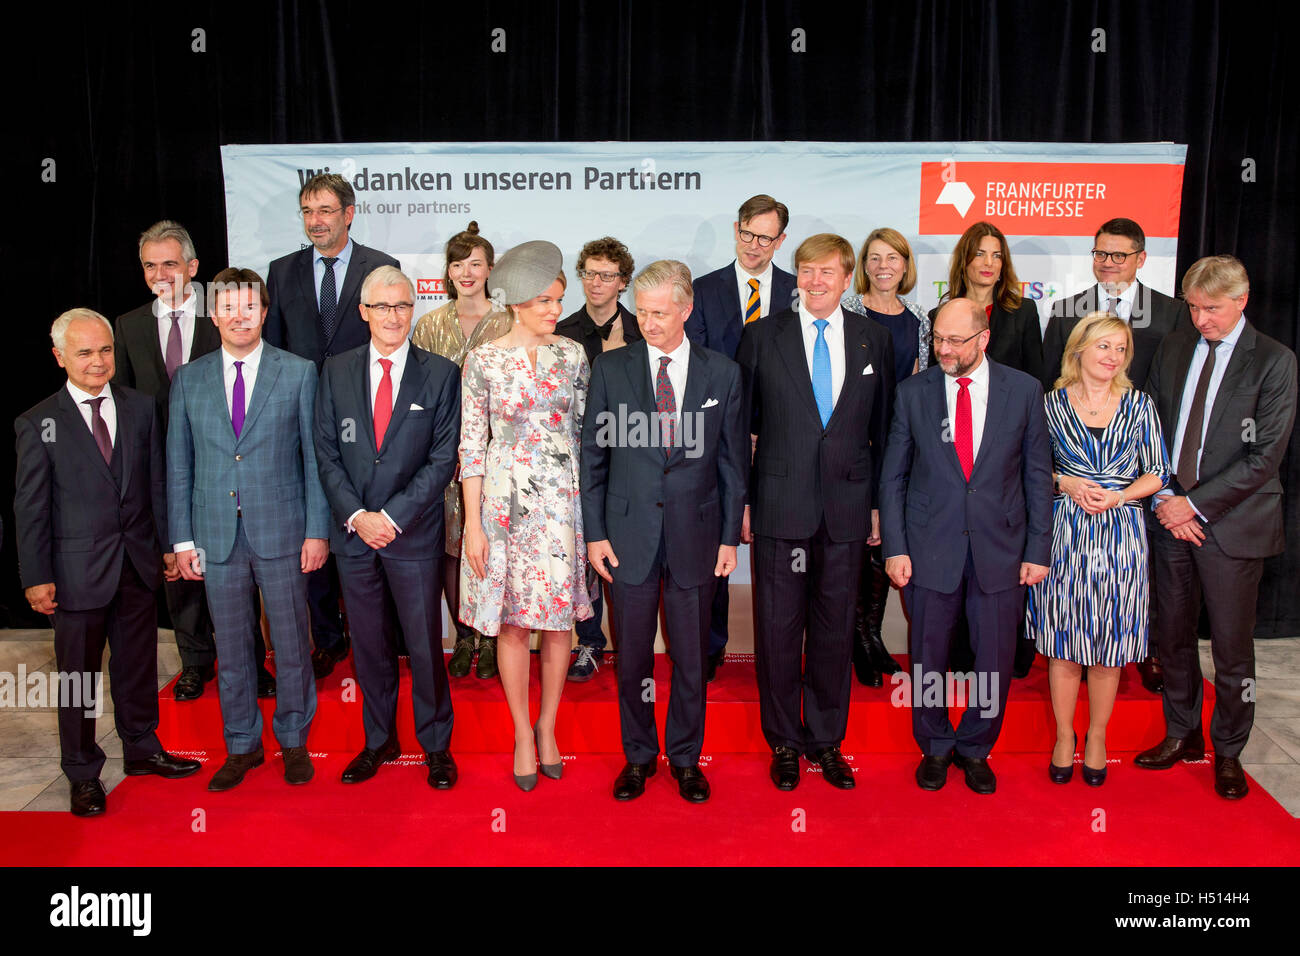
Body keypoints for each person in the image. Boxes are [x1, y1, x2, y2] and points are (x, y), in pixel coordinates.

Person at [15, 309, 200, 816]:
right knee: (77, 676)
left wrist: (167, 544)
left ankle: (143, 749)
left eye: (104, 350)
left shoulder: (141, 409)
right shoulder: (40, 423)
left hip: (137, 566)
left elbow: (157, 483)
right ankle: (81, 771)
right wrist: (36, 577)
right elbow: (30, 507)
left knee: (138, 665)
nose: (98, 362)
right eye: (84, 353)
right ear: (59, 358)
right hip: (74, 576)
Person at [581, 260, 747, 803]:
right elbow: (594, 459)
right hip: (627, 538)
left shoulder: (722, 372)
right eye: (644, 313)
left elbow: (730, 464)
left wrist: (728, 536)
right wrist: (595, 533)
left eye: (659, 314)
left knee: (692, 658)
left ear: (686, 309)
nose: (648, 323)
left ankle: (685, 758)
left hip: (697, 537)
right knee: (630, 656)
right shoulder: (611, 368)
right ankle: (638, 756)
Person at [736, 233, 894, 792]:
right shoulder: (760, 337)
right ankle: (782, 740)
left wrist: (878, 507)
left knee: (833, 632)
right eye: (807, 271)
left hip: (848, 512)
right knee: (778, 631)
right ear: (796, 275)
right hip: (780, 508)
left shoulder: (875, 340)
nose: (817, 281)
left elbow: (885, 434)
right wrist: (744, 505)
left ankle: (826, 741)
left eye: (828, 272)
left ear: (848, 277)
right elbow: (739, 432)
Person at [1137, 256, 1298, 800]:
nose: (1201, 319)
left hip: (1230, 525)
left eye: (1212, 309)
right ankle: (1181, 734)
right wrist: (1164, 496)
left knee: (1231, 648)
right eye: (1194, 307)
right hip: (1167, 516)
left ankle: (1228, 750)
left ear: (1241, 300)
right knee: (1173, 637)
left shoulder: (1274, 361)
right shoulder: (1176, 346)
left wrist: (1193, 506)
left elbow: (1265, 456)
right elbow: (1151, 427)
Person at [881, 298, 1053, 795]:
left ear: (983, 339)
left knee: (994, 659)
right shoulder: (913, 393)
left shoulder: (1023, 391)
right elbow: (893, 477)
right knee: (927, 655)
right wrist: (895, 546)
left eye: (956, 340)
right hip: (929, 547)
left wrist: (1038, 549)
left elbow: (1037, 477)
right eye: (938, 339)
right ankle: (934, 745)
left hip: (1002, 548)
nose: (944, 349)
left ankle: (977, 746)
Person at [168, 268, 331, 790]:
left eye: (249, 308)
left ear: (264, 313)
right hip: (214, 534)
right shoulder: (189, 379)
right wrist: (181, 539)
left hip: (283, 530)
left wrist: (317, 530)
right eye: (228, 308)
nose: (239, 317)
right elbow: (178, 464)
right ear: (212, 314)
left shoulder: (300, 372)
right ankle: (241, 744)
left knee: (290, 640)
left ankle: (294, 741)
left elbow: (314, 457)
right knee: (232, 645)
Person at [113, 219, 273, 702]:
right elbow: (124, 400)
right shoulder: (128, 325)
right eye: (149, 265)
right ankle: (195, 661)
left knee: (234, 567)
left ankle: (250, 662)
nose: (160, 273)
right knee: (178, 567)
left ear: (193, 267)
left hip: (226, 464)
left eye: (169, 263)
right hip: (162, 470)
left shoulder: (225, 316)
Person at [314, 265, 461, 788]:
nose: (393, 316)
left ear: (413, 308)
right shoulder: (334, 370)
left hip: (412, 535)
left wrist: (392, 517)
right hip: (355, 538)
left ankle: (437, 745)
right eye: (382, 307)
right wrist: (358, 516)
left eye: (402, 305)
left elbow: (443, 459)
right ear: (363, 312)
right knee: (369, 645)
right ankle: (379, 740)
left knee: (423, 644)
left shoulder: (441, 373)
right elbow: (326, 452)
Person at [458, 241, 593, 790]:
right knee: (513, 621)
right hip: (501, 505)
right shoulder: (484, 359)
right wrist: (472, 524)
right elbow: (470, 446)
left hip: (561, 504)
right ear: (514, 302)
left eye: (559, 301)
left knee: (558, 622)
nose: (554, 311)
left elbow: (583, 436)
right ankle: (519, 731)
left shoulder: (573, 355)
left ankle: (547, 727)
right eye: (543, 301)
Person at [1043, 218, 1191, 694]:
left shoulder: (1171, 314)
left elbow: (1176, 388)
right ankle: (1067, 646)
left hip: (1145, 453)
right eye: (1100, 254)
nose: (1108, 263)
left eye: (1119, 255)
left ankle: (1142, 649)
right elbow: (1051, 383)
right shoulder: (1067, 311)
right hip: (1078, 461)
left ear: (1141, 258)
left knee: (1140, 571)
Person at [265, 172, 400, 680]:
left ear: (348, 213)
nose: (314, 221)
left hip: (366, 418)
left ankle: (380, 638)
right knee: (313, 525)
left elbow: (390, 345)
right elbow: (275, 349)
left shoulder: (381, 268)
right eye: (307, 211)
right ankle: (327, 637)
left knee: (366, 521)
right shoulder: (281, 271)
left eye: (324, 210)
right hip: (301, 416)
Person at [1026, 313, 1170, 786]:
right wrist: (1064, 480)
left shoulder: (1140, 404)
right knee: (1065, 644)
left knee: (1109, 647)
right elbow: (1026, 470)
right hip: (1064, 533)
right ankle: (1065, 736)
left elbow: (1158, 471)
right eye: (1103, 346)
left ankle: (1098, 738)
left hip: (1122, 535)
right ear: (1078, 350)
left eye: (1120, 348)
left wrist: (1122, 495)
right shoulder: (1047, 405)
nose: (1112, 356)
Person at [685, 194, 797, 682]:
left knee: (779, 547)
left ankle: (781, 650)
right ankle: (711, 645)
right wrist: (736, 429)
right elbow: (699, 368)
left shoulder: (799, 291)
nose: (754, 245)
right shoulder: (704, 290)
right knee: (717, 542)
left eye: (765, 237)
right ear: (736, 229)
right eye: (747, 233)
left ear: (781, 240)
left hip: (784, 441)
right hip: (717, 438)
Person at [930, 221, 1044, 678]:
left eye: (997, 255)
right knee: (956, 561)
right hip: (953, 452)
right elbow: (935, 383)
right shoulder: (943, 312)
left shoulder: (1023, 311)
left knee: (998, 568)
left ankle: (1008, 656)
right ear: (965, 260)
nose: (989, 263)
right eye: (980, 254)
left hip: (1005, 461)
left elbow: (1039, 380)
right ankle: (959, 658)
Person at [412, 222, 512, 680]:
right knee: (451, 549)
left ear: (490, 268)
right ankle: (464, 635)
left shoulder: (510, 320)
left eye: (475, 263)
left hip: (498, 458)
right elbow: (416, 394)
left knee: (490, 546)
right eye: (457, 264)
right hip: (440, 455)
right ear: (447, 272)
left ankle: (490, 638)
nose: (466, 272)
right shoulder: (430, 325)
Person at [840, 227, 930, 687]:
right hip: (857, 441)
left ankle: (872, 635)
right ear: (862, 266)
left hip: (900, 442)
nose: (882, 267)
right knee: (856, 540)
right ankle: (856, 639)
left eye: (892, 258)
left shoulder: (920, 318)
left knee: (887, 538)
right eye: (873, 258)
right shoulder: (847, 311)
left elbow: (922, 383)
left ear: (905, 264)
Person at [557, 236, 643, 681]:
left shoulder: (641, 328)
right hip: (574, 460)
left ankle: (632, 646)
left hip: (629, 459)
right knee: (582, 553)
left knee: (624, 557)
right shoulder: (562, 330)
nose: (596, 282)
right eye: (589, 273)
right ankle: (589, 641)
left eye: (607, 275)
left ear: (623, 282)